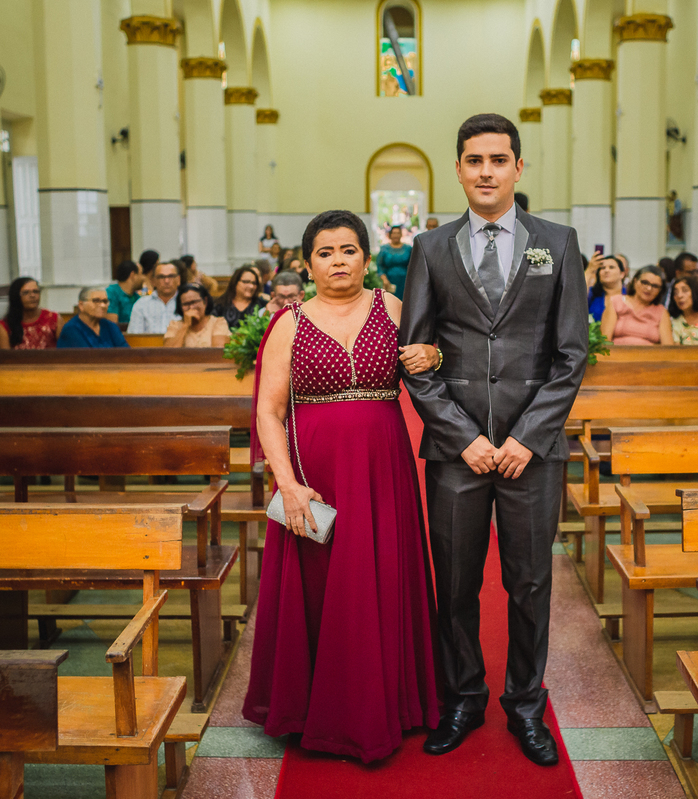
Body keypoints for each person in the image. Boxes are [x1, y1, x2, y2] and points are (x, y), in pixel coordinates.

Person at [400, 113, 587, 766]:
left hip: (532, 455)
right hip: (458, 454)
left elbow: (570, 357)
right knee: (454, 584)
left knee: (530, 583)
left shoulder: (556, 244)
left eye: (498, 159)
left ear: (518, 168)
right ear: (458, 169)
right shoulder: (431, 249)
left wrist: (528, 438)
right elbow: (415, 358)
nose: (486, 171)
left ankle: (526, 705)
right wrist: (461, 435)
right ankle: (462, 698)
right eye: (474, 160)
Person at [243, 209, 442, 762]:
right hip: (317, 473)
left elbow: (431, 363)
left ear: (366, 256)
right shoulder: (289, 322)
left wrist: (434, 353)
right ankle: (315, 712)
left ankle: (392, 705)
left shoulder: (391, 307)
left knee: (380, 574)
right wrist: (287, 484)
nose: (338, 261)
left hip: (383, 467)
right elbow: (268, 411)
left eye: (348, 250)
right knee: (324, 583)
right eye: (325, 252)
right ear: (307, 264)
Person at [602, 266, 673, 345]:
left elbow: (668, 348)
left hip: (649, 356)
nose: (649, 288)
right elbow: (605, 342)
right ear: (635, 281)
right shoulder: (616, 302)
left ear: (660, 290)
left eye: (655, 286)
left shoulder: (661, 312)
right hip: (616, 355)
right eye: (645, 282)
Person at [0, 276, 61, 350]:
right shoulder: (5, 326)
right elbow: (6, 359)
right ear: (16, 296)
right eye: (26, 293)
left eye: (36, 291)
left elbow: (65, 353)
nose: (32, 296)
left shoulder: (54, 319)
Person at [57, 287, 129, 348]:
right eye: (96, 301)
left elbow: (126, 353)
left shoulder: (110, 326)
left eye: (105, 301)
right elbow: (87, 358)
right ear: (81, 305)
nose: (103, 306)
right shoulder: (71, 330)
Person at [164, 284, 230, 347]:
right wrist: (185, 325)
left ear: (205, 301)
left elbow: (218, 353)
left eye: (194, 302)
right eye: (186, 304)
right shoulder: (174, 326)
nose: (191, 307)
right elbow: (169, 355)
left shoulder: (218, 322)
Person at [127, 260, 181, 333]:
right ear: (153, 281)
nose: (167, 281)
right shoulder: (141, 305)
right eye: (161, 277)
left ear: (178, 280)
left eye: (171, 276)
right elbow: (135, 336)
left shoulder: (186, 303)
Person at [214, 265, 265, 329]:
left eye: (254, 283)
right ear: (235, 282)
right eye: (246, 282)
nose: (251, 286)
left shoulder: (262, 305)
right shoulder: (219, 305)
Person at [375, 225, 412, 297]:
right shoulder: (384, 249)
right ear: (390, 235)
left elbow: (414, 265)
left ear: (401, 234)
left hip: (406, 281)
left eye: (398, 233)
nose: (396, 235)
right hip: (389, 280)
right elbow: (379, 265)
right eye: (394, 233)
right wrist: (384, 279)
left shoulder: (408, 248)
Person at [588, 253, 627, 322]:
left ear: (622, 274)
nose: (606, 270)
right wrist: (590, 270)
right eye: (603, 268)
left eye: (611, 267)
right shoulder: (593, 294)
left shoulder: (630, 294)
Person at [106, 260, 143, 325]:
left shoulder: (137, 297)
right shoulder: (111, 293)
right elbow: (112, 324)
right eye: (140, 274)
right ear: (132, 275)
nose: (143, 278)